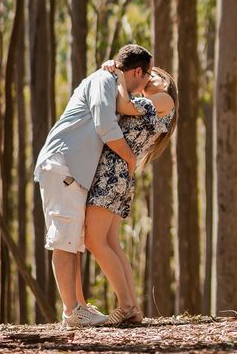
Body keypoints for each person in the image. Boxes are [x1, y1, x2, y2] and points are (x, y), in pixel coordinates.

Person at [33, 44, 152, 326]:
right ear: (138, 71)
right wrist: (130, 158)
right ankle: (71, 311)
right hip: (63, 164)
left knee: (72, 241)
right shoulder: (103, 81)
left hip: (73, 171)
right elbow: (104, 124)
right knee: (64, 240)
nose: (147, 82)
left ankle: (78, 307)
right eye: (148, 75)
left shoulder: (111, 81)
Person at [85, 63, 177, 325]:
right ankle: (132, 306)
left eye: (155, 75)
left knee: (94, 239)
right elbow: (124, 102)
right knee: (111, 242)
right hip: (118, 173)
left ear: (166, 83)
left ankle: (125, 304)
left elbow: (124, 106)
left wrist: (116, 76)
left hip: (113, 173)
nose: (149, 77)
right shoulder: (150, 102)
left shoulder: (165, 99)